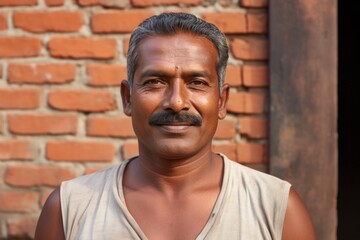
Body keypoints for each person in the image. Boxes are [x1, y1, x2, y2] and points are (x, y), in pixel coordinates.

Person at [35, 12, 317, 240]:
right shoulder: (69, 210)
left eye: (197, 83)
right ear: (127, 98)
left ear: (221, 100)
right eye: (155, 82)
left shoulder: (276, 209)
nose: (177, 102)